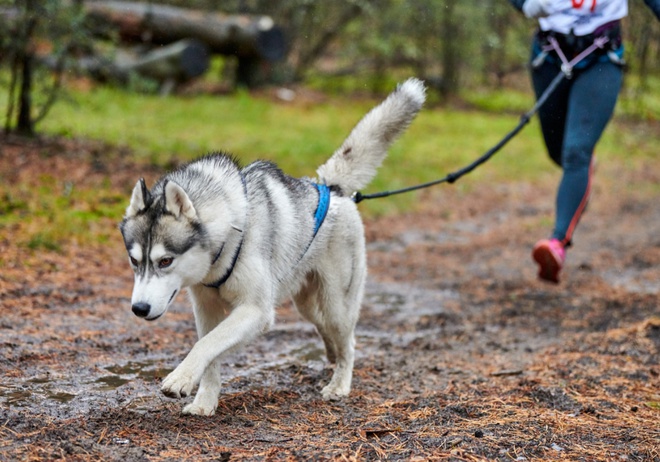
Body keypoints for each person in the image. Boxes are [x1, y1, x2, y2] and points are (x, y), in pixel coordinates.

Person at [508, 0, 660, 283]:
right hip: (549, 56)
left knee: (576, 151)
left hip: (601, 59)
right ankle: (581, 173)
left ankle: (557, 243)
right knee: (560, 154)